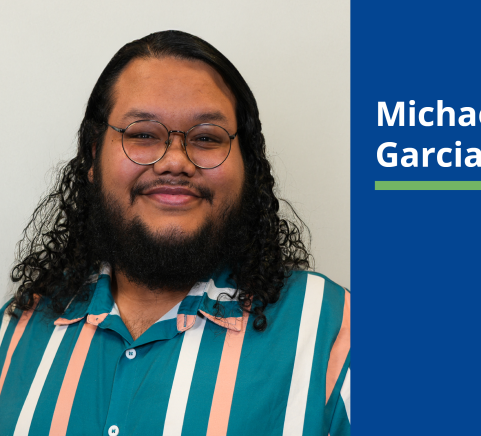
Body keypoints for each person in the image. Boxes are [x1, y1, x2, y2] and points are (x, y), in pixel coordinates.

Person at [0, 30, 350, 436]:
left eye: (206, 138)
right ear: (93, 156)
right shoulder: (14, 330)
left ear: (247, 167)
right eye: (143, 135)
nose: (175, 162)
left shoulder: (337, 333)